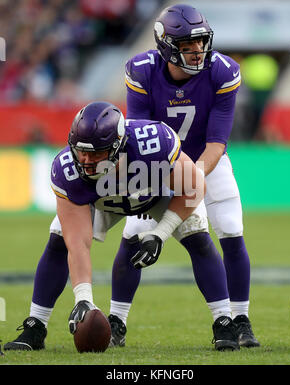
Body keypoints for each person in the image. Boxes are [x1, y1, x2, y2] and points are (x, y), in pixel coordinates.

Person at [5, 101, 240, 352]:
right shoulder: (67, 169)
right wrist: (83, 298)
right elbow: (78, 244)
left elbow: (194, 188)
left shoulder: (153, 144)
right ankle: (36, 325)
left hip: (155, 192)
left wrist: (160, 234)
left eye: (95, 153)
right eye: (81, 151)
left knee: (197, 237)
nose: (85, 160)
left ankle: (223, 321)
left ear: (117, 146)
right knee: (59, 240)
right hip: (102, 201)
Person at [108, 4, 260, 348]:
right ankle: (117, 320)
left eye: (201, 43)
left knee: (232, 231)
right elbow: (140, 134)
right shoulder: (142, 70)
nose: (198, 52)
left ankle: (240, 320)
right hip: (156, 163)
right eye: (188, 46)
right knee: (135, 231)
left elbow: (217, 143)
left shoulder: (223, 71)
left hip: (208, 161)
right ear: (166, 46)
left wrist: (190, 179)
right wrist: (157, 180)